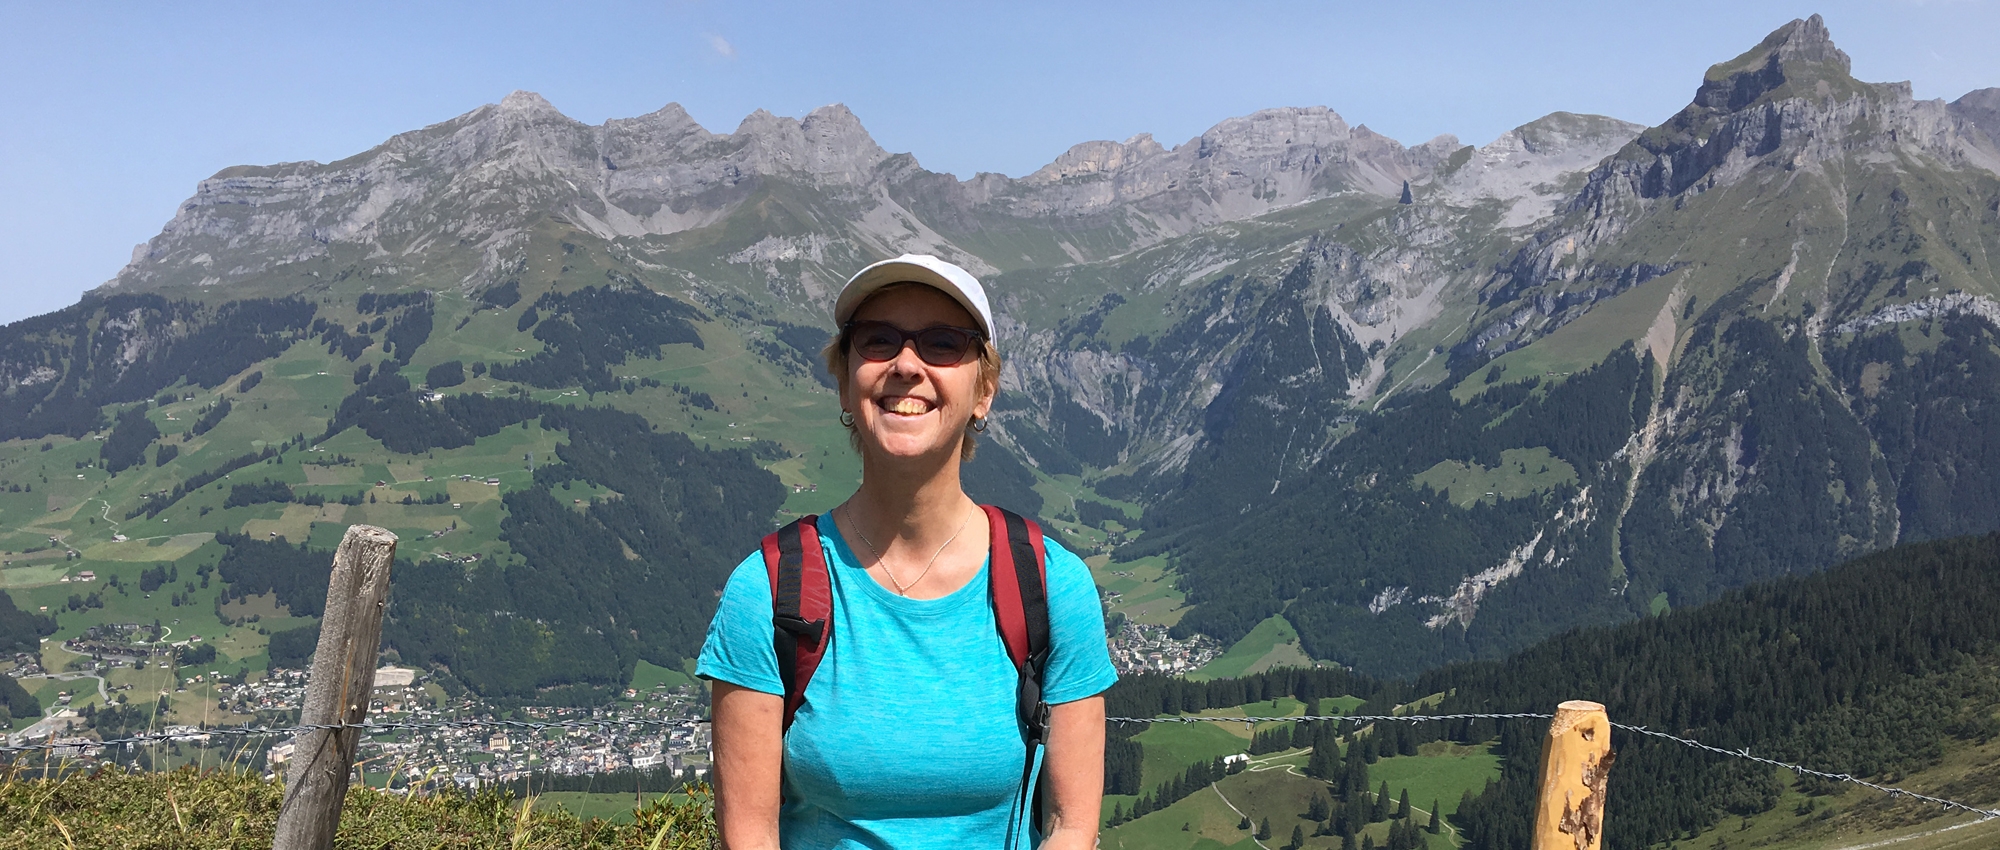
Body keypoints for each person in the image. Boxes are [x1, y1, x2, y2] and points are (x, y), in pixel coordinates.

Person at [697, 254, 1118, 849]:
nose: (906, 365)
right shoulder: (769, 590)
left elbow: (1072, 829)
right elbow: (750, 837)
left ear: (984, 391)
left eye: (943, 343)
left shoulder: (1049, 586)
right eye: (878, 341)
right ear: (845, 381)